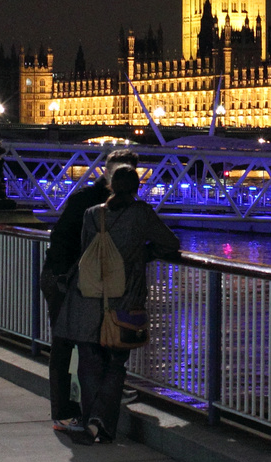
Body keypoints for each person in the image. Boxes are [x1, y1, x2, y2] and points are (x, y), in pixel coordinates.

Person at [54, 164, 179, 444]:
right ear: (137, 188)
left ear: (110, 186)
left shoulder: (92, 214)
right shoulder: (141, 214)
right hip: (124, 299)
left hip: (87, 298)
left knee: (89, 362)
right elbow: (170, 243)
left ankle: (91, 422)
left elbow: (89, 253)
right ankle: (98, 423)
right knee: (115, 362)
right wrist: (143, 254)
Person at [40, 149, 140, 433]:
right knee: (65, 344)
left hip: (78, 281)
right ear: (107, 172)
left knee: (93, 340)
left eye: (130, 172)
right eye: (122, 172)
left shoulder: (98, 200)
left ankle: (99, 396)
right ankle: (64, 413)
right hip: (64, 280)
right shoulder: (96, 203)